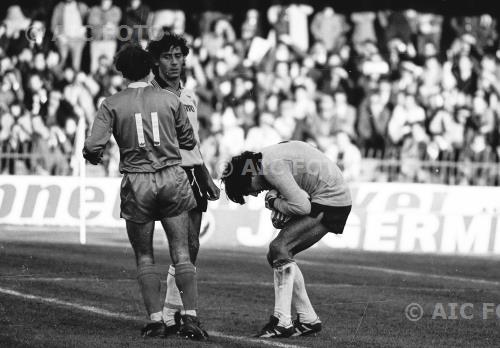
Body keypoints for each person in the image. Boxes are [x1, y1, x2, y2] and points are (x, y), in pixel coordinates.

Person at [83, 44, 208, 340]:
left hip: (137, 181)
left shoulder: (111, 103)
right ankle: (189, 317)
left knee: (144, 255)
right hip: (171, 177)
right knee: (181, 251)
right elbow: (188, 141)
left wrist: (93, 155)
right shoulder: (170, 99)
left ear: (122, 72)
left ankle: (155, 321)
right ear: (151, 68)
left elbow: (92, 147)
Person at [221, 140, 352, 338]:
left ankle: (281, 321)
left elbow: (302, 207)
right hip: (329, 194)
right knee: (276, 254)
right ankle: (307, 319)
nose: (255, 194)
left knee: (279, 248)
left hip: (330, 199)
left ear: (249, 176)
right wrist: (279, 200)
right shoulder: (265, 159)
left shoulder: (270, 167)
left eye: (249, 191)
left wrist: (275, 202)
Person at [147, 32, 220, 335]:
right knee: (180, 245)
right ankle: (174, 314)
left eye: (179, 56)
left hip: (193, 174)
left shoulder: (188, 95)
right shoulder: (149, 95)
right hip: (168, 173)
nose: (175, 62)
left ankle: (172, 312)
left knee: (191, 245)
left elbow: (194, 143)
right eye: (168, 56)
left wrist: (206, 176)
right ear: (156, 61)